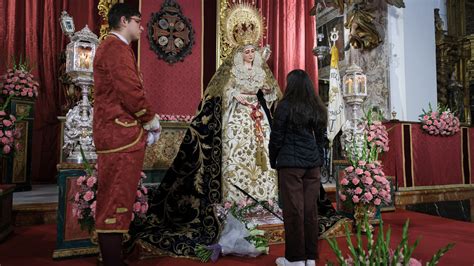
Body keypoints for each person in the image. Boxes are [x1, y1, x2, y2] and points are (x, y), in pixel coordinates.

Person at [92, 3, 160, 266]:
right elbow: (130, 90)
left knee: (118, 198)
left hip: (118, 134)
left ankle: (113, 258)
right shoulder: (115, 48)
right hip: (119, 135)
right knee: (115, 200)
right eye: (137, 20)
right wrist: (149, 119)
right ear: (123, 21)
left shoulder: (116, 48)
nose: (141, 27)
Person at [269, 69, 328, 266]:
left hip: (291, 164)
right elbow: (321, 140)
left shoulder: (285, 105)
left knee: (294, 211)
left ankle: (294, 260)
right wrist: (318, 159)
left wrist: (273, 159)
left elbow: (276, 137)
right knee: (310, 211)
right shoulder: (316, 106)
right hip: (312, 165)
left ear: (290, 85)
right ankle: (310, 258)